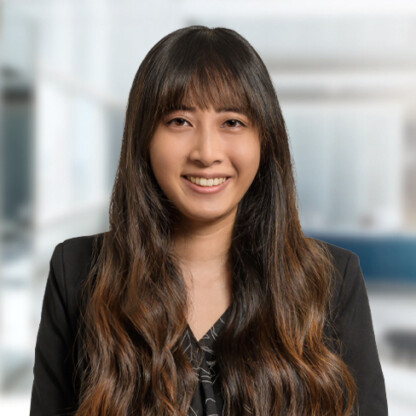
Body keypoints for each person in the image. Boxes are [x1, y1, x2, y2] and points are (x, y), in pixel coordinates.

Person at [30, 25, 388, 416]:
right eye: (180, 121)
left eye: (232, 122)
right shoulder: (78, 272)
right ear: (143, 137)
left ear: (264, 139)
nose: (206, 152)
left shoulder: (332, 279)